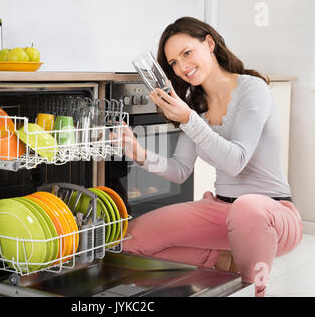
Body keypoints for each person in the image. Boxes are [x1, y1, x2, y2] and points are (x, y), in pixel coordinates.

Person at [115, 17, 303, 297]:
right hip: (220, 211)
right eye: (174, 63)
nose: (182, 67)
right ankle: (221, 261)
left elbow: (236, 161)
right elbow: (180, 170)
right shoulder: (196, 107)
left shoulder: (252, 89)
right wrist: (141, 155)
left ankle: (254, 289)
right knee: (129, 240)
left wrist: (189, 119)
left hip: (272, 216)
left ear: (210, 43)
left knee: (247, 208)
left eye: (187, 53)